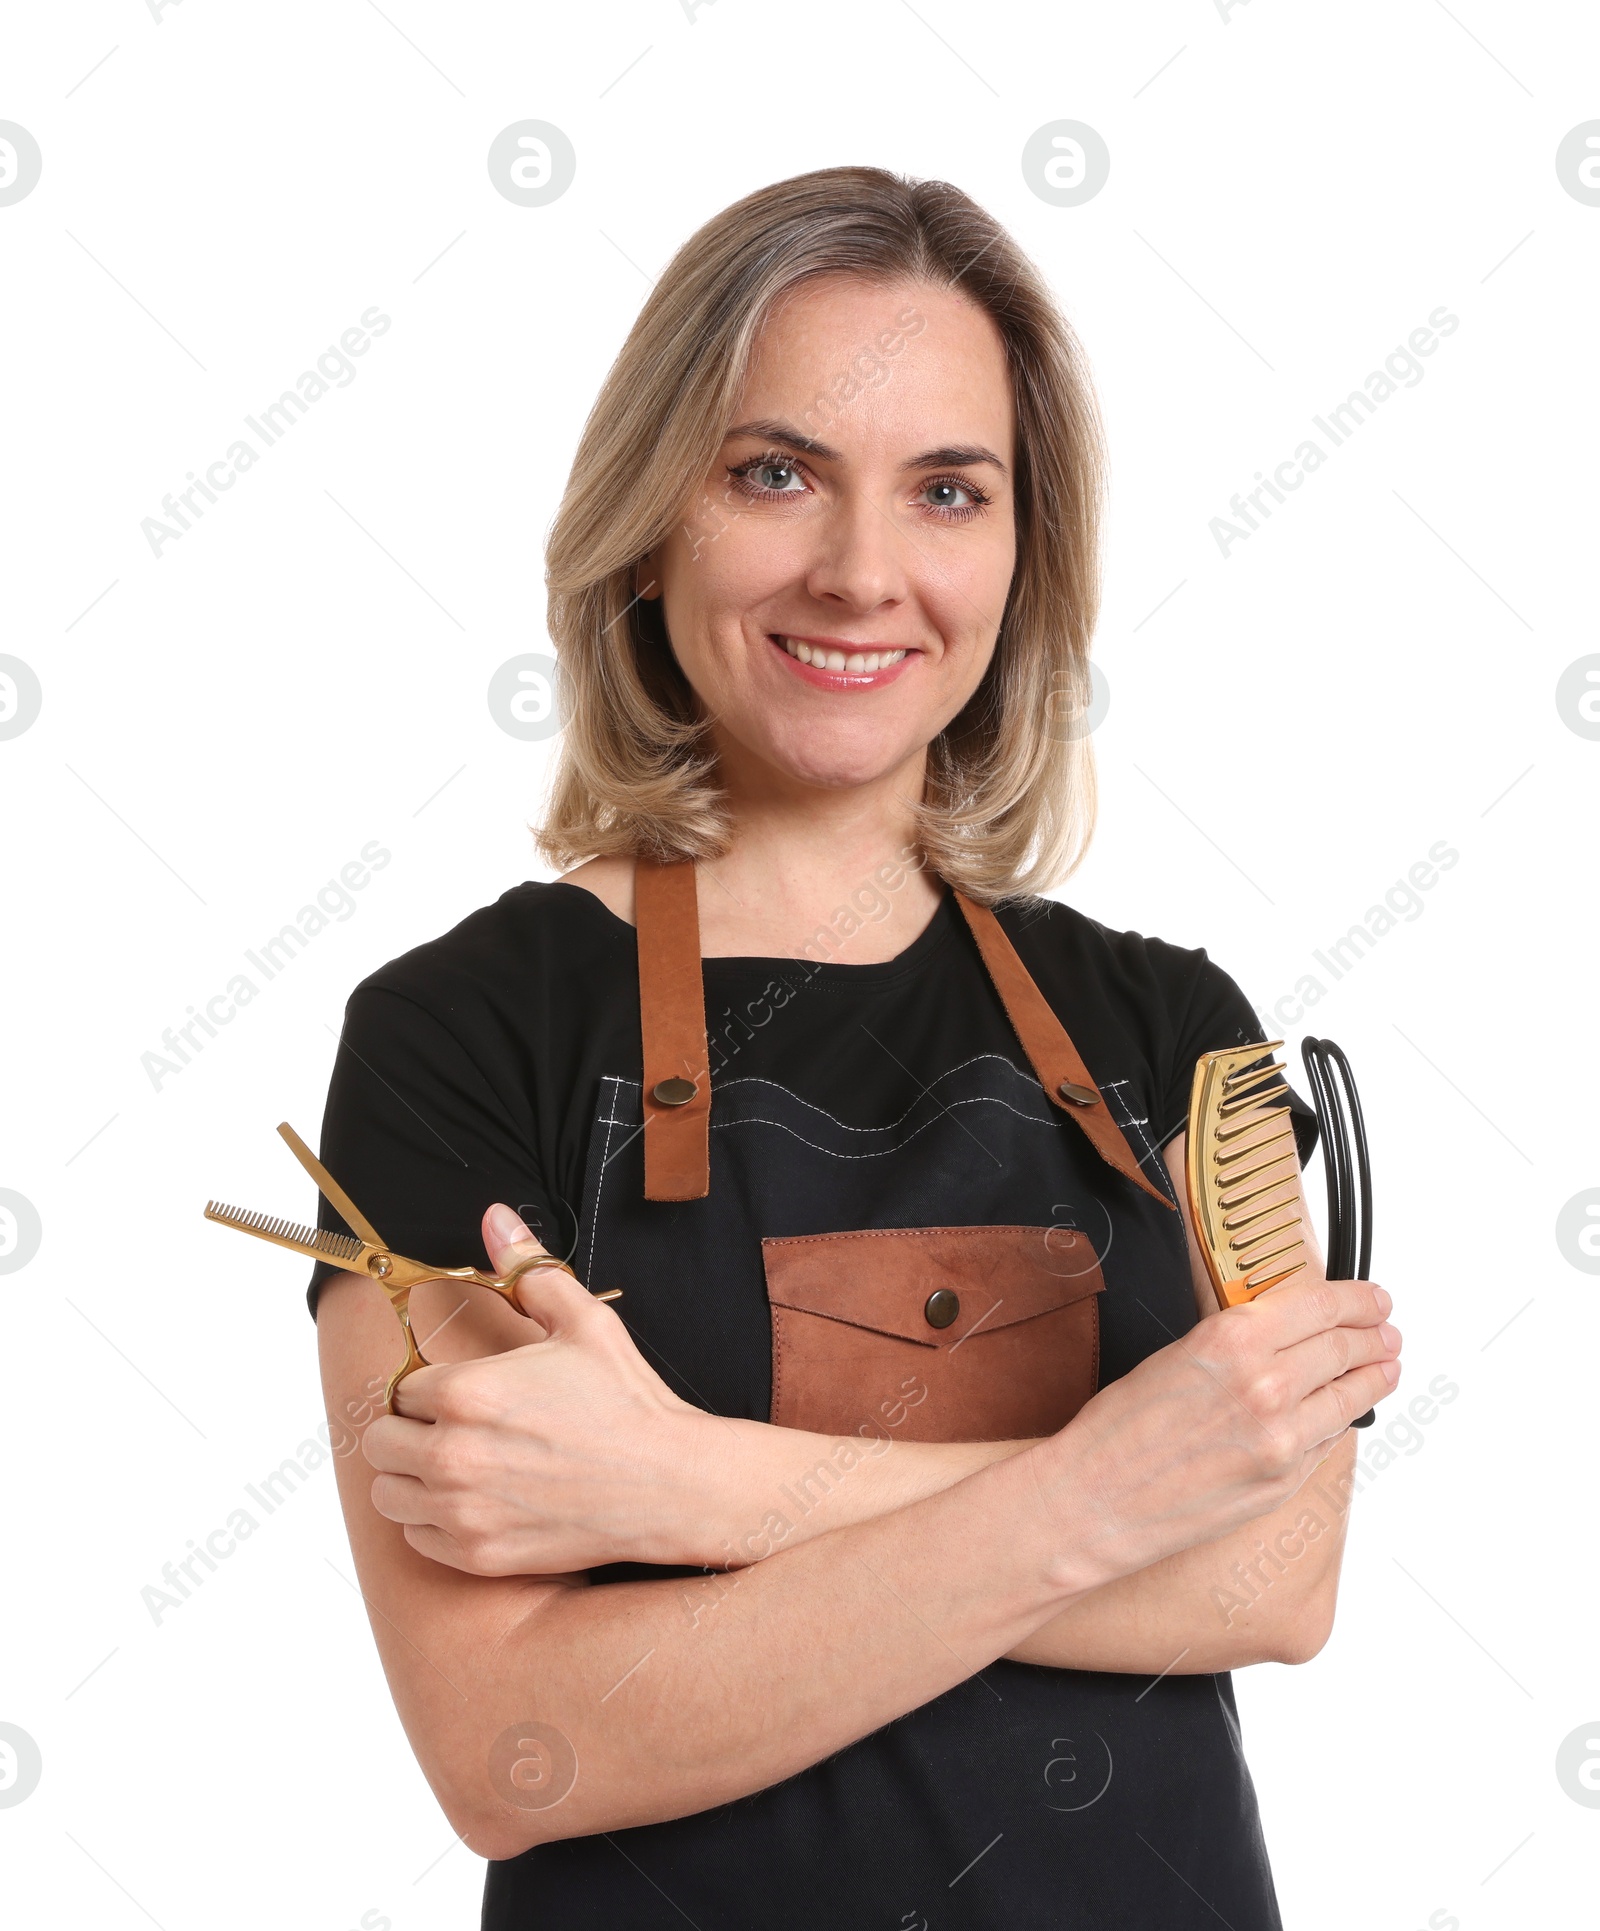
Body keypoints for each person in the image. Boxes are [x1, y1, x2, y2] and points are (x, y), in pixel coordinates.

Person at [306, 166, 1401, 1930]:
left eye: (947, 491)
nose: (863, 573)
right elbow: (511, 1740)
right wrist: (1122, 1492)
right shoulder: (457, 1039)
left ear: (1020, 552)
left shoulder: (1180, 1030)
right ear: (654, 513)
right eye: (774, 472)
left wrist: (691, 1483)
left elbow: (1277, 1578)